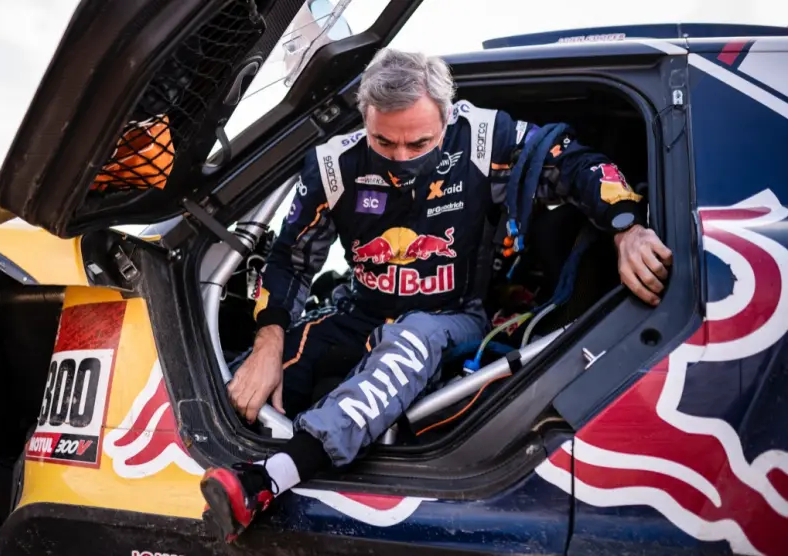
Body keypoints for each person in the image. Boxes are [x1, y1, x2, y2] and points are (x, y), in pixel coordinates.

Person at [199, 48, 673, 542]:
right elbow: (290, 260)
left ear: (448, 117)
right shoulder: (334, 165)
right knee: (258, 373)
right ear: (365, 119)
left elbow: (573, 162)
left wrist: (627, 227)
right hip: (358, 310)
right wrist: (267, 344)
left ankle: (268, 479)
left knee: (414, 338)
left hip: (451, 317)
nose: (402, 159)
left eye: (419, 143)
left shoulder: (486, 138)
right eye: (384, 142)